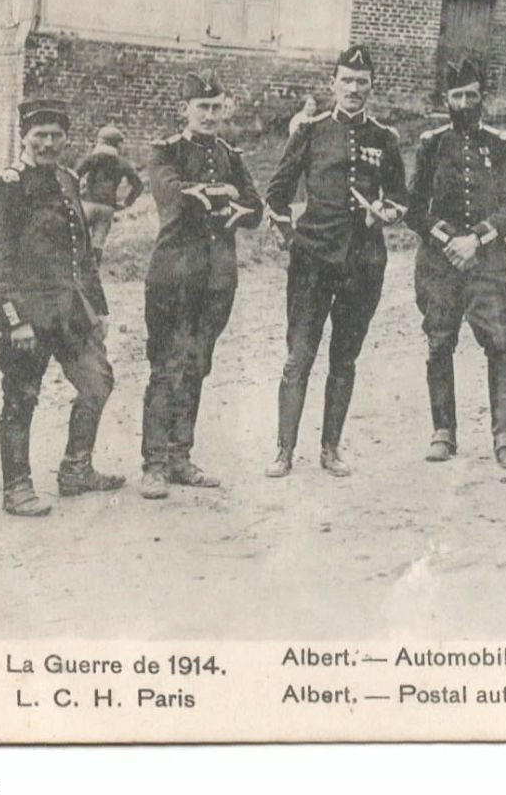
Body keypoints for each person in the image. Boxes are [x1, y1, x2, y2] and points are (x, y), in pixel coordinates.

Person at [263, 45, 407, 478]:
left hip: (363, 263)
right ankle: (284, 451)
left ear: (371, 87)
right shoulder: (309, 131)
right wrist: (292, 237)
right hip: (312, 262)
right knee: (299, 357)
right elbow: (277, 191)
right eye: (347, 80)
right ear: (333, 84)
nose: (354, 89)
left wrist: (386, 212)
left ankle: (330, 449)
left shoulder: (385, 138)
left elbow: (401, 198)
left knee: (345, 358)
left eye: (362, 82)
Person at [0, 98, 123, 517]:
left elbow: (81, 251)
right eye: (40, 135)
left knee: (98, 381)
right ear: (24, 136)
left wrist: (100, 308)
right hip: (28, 314)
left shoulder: (67, 179)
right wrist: (14, 321)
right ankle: (17, 488)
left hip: (70, 311)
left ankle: (76, 470)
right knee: (21, 397)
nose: (48, 143)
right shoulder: (7, 186)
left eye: (56, 136)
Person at [139, 71, 264, 499]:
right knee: (166, 367)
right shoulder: (165, 152)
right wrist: (223, 192)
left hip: (215, 279)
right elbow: (173, 194)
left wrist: (239, 205)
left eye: (216, 107)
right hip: (173, 277)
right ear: (185, 110)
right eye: (202, 108)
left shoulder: (230, 154)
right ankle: (153, 464)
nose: (210, 115)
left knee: (197, 365)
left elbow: (256, 206)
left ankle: (180, 457)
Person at [407, 58, 506, 469]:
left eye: (471, 95)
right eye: (456, 96)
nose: (463, 102)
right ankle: (443, 431)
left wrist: (477, 237)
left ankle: (505, 435)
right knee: (440, 340)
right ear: (446, 100)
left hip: (487, 261)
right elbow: (414, 207)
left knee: (498, 341)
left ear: (482, 98)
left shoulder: (500, 144)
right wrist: (449, 240)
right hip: (439, 264)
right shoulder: (431, 144)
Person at [76, 124, 144, 263]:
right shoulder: (122, 163)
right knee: (98, 242)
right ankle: (94, 273)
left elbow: (74, 175)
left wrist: (75, 195)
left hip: (88, 203)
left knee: (79, 236)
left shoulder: (93, 158)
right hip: (108, 207)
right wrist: (126, 203)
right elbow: (138, 185)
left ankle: (77, 269)